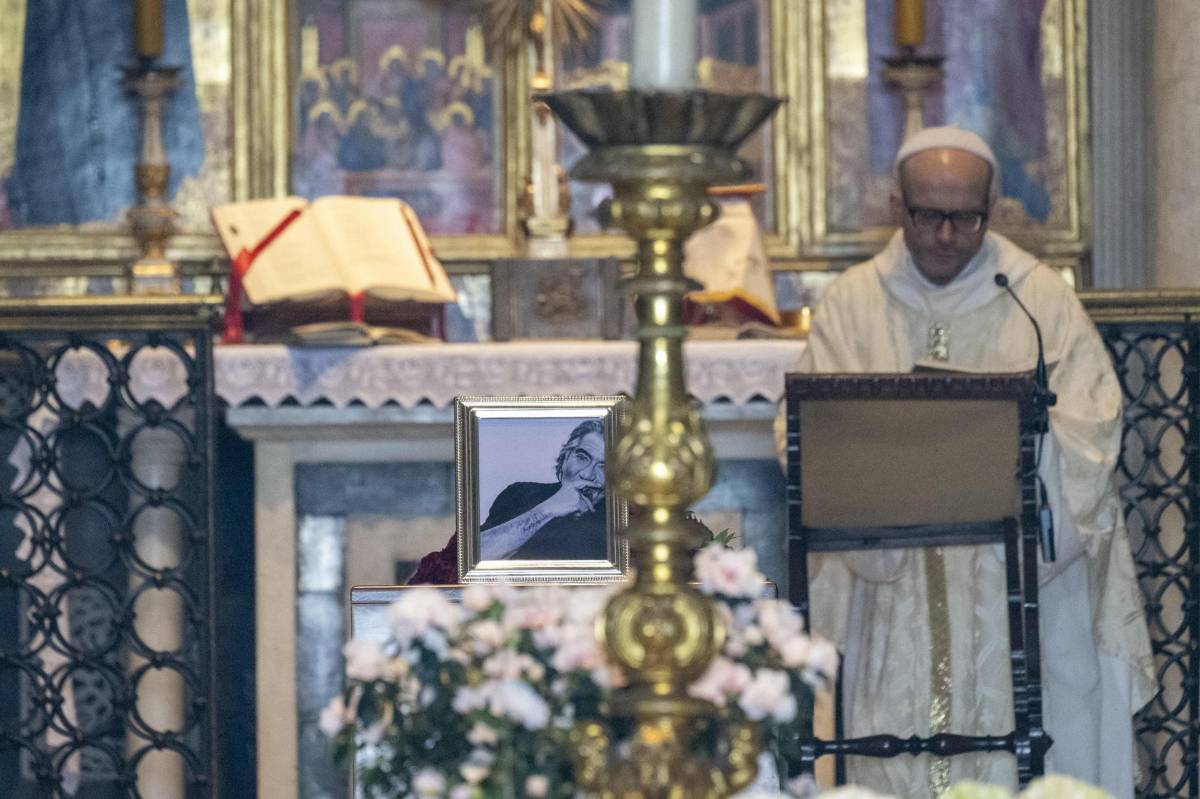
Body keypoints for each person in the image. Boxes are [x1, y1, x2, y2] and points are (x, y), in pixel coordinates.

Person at [786, 125, 1154, 797]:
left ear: (994, 209)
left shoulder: (1038, 299)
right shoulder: (853, 303)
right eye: (930, 214)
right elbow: (810, 429)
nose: (948, 234)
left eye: (967, 217)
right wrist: (908, 472)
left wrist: (1003, 466)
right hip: (891, 586)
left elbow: (1093, 421)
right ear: (898, 208)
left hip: (1010, 585)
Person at [479, 419, 606, 561]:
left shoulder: (624, 519)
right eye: (582, 458)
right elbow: (469, 559)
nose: (587, 474)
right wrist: (548, 509)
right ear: (566, 457)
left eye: (603, 467)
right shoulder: (519, 494)